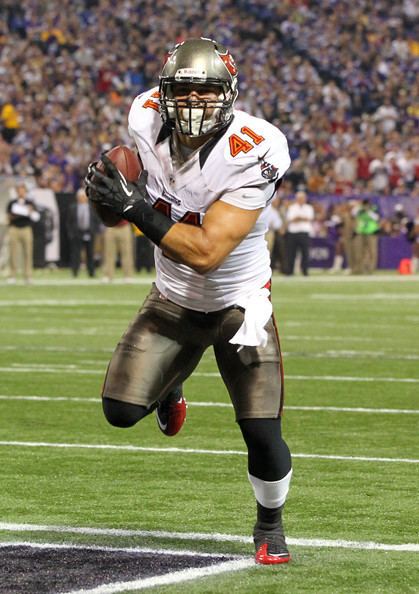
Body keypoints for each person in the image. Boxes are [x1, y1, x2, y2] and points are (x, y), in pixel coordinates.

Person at [86, 38, 293, 565]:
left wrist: (133, 207)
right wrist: (112, 191)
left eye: (208, 92)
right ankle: (169, 388)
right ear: (164, 94)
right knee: (119, 411)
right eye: (185, 91)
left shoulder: (256, 146)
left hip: (238, 305)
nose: (196, 102)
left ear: (230, 96)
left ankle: (270, 524)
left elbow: (206, 253)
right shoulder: (145, 118)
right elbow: (134, 185)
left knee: (262, 432)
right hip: (173, 299)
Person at [6, 183, 40, 283]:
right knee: (13, 253)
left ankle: (28, 276)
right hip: (14, 229)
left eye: (22, 190)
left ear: (25, 191)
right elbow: (9, 216)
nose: (21, 192)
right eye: (19, 190)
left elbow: (36, 217)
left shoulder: (30, 202)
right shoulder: (12, 202)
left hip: (26, 229)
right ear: (17, 191)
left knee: (28, 253)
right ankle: (12, 275)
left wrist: (30, 211)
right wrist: (17, 213)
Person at [66, 188, 100, 278]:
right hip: (77, 234)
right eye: (80, 197)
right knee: (76, 254)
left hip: (89, 233)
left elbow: (96, 220)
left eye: (83, 197)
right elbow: (69, 222)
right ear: (77, 198)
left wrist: (94, 230)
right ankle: (74, 272)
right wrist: (71, 234)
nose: (82, 198)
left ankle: (91, 273)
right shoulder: (72, 208)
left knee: (90, 254)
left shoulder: (92, 207)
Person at [285, 190, 314, 276]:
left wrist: (298, 218)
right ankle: (290, 271)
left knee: (305, 253)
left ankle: (305, 271)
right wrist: (301, 218)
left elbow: (309, 218)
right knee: (291, 253)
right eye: (300, 198)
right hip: (293, 233)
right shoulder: (292, 207)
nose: (302, 199)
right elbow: (291, 219)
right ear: (297, 199)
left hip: (304, 233)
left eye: (303, 198)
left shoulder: (309, 207)